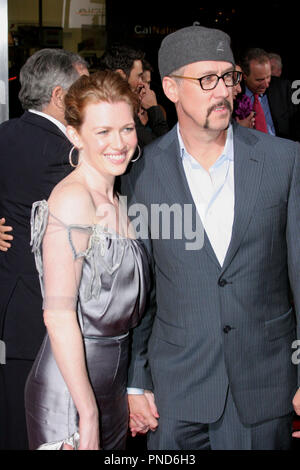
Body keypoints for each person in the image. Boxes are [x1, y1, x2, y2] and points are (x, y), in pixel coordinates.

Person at [121, 25, 300, 450]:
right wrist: (135, 381)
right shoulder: (141, 173)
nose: (224, 92)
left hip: (264, 386)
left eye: (229, 77)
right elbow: (142, 290)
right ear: (169, 88)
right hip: (175, 393)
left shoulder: (283, 160)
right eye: (206, 80)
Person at [25, 70, 149, 450]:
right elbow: (58, 314)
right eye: (103, 132)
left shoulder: (118, 198)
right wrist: (88, 415)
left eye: (126, 128)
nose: (119, 143)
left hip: (109, 389)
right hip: (69, 396)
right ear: (75, 135)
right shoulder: (73, 199)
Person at [0, 48, 88, 450]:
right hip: (45, 313)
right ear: (58, 96)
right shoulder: (66, 153)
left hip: (16, 310)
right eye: (83, 86)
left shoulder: (5, 135)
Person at [99, 44, 168, 147]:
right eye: (139, 76)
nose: (142, 84)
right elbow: (162, 148)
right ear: (120, 76)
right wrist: (154, 109)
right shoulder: (118, 110)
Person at [241, 48, 300, 140]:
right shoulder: (234, 96)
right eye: (259, 80)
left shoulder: (283, 89)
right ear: (244, 76)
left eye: (268, 77)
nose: (266, 84)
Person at [232, 64, 255, 129]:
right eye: (234, 81)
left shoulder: (241, 103)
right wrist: (240, 129)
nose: (239, 90)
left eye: (239, 83)